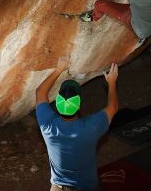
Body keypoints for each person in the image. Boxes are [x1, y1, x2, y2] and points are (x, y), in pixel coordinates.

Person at [35, 56, 119, 191]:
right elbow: (113, 107)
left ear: (56, 105)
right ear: (79, 107)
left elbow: (40, 92)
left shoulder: (47, 126)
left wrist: (59, 70)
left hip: (58, 187)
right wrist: (112, 83)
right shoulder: (91, 127)